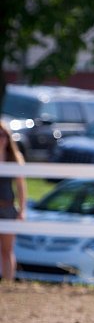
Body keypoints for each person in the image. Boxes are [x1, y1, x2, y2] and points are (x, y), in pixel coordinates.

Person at [0, 121, 27, 282]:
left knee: (7, 248)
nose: (1, 138)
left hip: (8, 207)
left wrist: (22, 210)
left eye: (3, 135)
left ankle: (8, 283)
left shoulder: (14, 158)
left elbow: (21, 187)